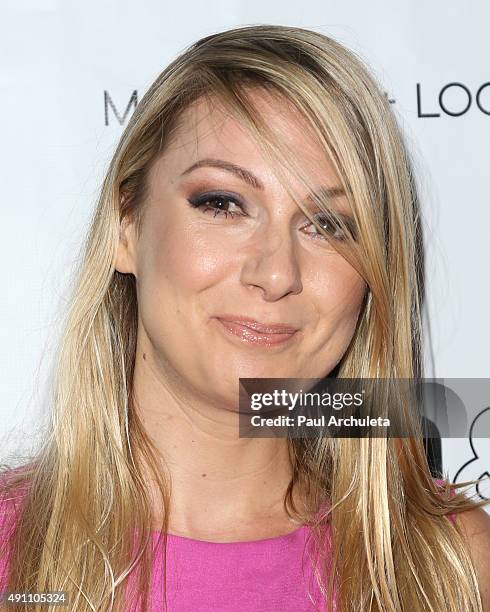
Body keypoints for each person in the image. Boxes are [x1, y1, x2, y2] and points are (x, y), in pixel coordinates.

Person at [1, 24, 489, 612]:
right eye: (223, 204)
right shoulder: (14, 556)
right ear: (125, 226)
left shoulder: (450, 564)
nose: (277, 272)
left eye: (329, 224)